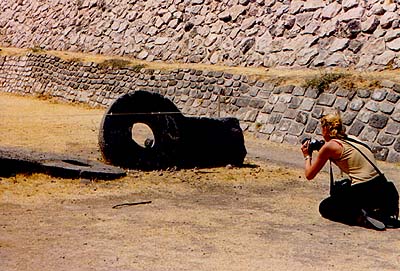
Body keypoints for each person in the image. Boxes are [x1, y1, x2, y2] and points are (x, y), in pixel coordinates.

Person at [300, 112, 399, 230]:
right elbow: (344, 155)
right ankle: (372, 211)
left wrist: (307, 156)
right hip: (383, 189)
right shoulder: (352, 139)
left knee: (325, 207)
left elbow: (309, 174)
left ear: (325, 129)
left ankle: (360, 217)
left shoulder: (329, 147)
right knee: (343, 188)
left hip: (365, 190)